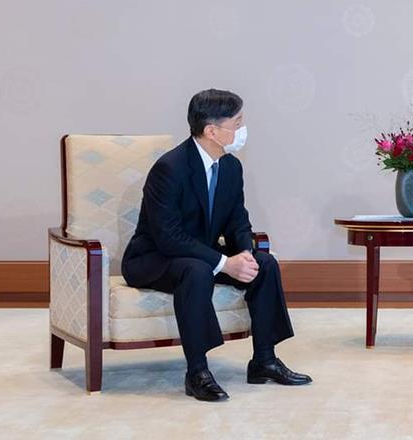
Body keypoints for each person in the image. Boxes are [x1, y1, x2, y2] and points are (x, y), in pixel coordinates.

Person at [122, 89, 311, 402]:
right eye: (236, 123)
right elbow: (168, 237)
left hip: (198, 254)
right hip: (153, 258)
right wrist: (225, 264)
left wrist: (245, 254)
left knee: (264, 264)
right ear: (211, 131)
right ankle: (197, 372)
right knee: (197, 271)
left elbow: (238, 221)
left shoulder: (231, 167)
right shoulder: (170, 168)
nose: (242, 130)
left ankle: (264, 360)